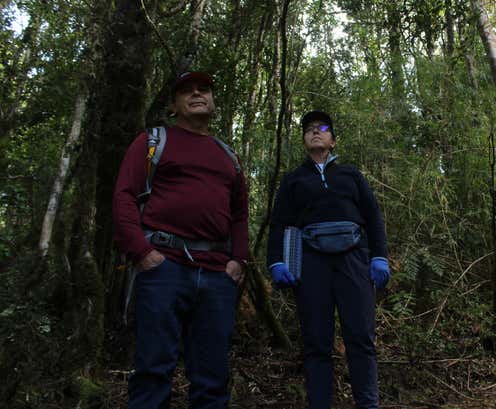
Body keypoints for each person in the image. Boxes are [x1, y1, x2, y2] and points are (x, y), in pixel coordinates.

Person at [113, 71, 248, 409]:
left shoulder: (227, 155)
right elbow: (124, 196)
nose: (197, 94)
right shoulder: (152, 142)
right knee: (153, 371)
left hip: (217, 274)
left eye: (204, 89)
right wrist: (142, 253)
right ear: (174, 105)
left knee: (213, 377)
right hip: (163, 267)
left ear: (213, 101)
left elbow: (240, 214)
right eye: (186, 91)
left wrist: (238, 261)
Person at [267, 110, 390, 409]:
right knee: (316, 342)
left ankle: (368, 405)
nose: (315, 132)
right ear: (304, 140)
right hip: (311, 264)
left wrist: (379, 257)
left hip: (354, 260)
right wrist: (276, 262)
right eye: (309, 129)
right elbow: (279, 222)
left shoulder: (351, 175)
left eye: (322, 128)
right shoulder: (294, 179)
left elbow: (373, 217)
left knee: (360, 338)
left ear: (333, 140)